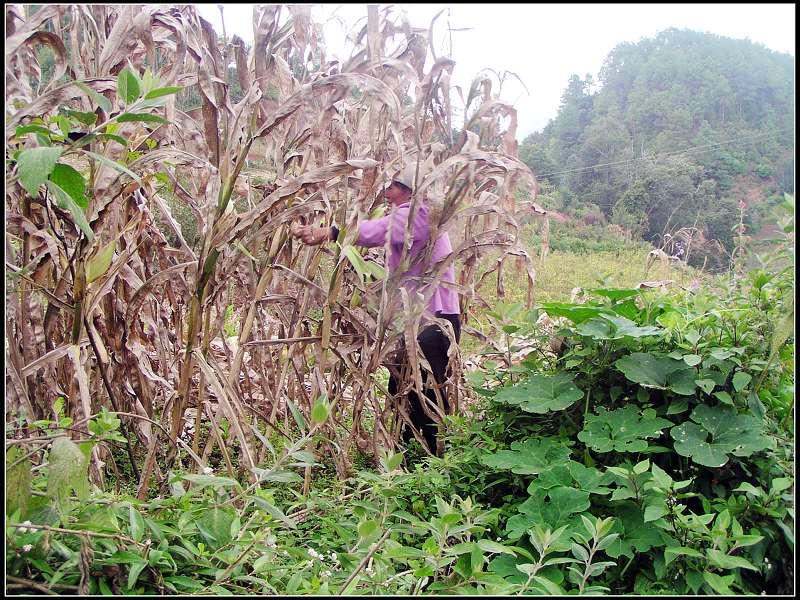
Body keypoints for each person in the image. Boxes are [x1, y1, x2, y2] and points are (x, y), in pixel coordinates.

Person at [290, 166, 461, 456]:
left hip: (435, 321)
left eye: (393, 185)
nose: (386, 190)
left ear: (408, 190)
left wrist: (330, 232)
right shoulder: (413, 214)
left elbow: (376, 231)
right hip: (419, 320)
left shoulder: (419, 214)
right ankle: (409, 452)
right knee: (402, 385)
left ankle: (434, 458)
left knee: (425, 391)